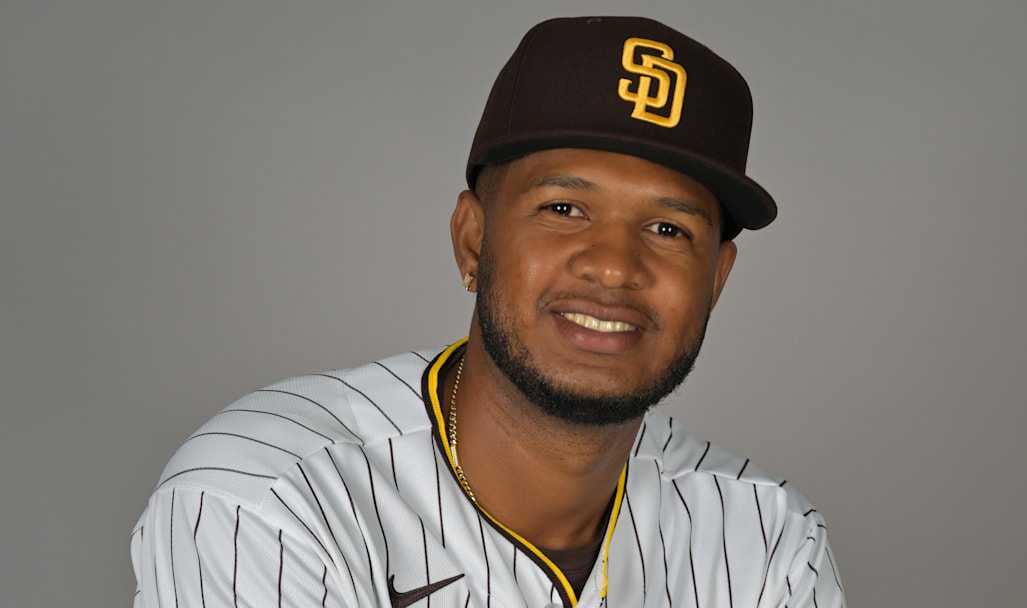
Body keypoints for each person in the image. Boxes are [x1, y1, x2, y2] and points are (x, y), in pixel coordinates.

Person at [131, 16, 844, 608]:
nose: (614, 266)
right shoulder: (268, 494)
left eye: (668, 229)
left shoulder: (766, 535)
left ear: (715, 279)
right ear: (473, 240)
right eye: (564, 209)